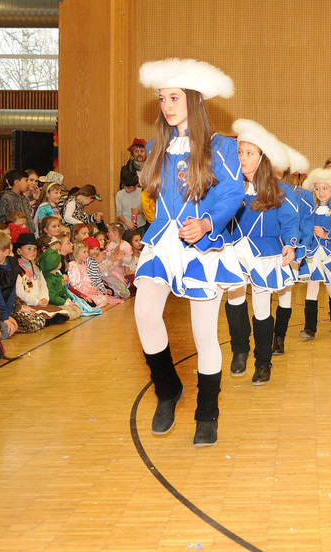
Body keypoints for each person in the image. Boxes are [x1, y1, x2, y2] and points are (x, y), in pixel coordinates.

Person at [134, 58, 244, 447]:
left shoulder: (222, 147)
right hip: (164, 242)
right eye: (162, 98)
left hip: (203, 246)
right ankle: (167, 389)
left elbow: (232, 194)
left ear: (194, 100)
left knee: (204, 335)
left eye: (174, 97)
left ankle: (207, 413)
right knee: (145, 313)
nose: (166, 105)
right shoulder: (156, 147)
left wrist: (207, 223)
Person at [224, 119, 298, 384]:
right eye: (240, 152)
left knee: (262, 307)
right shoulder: (229, 187)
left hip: (265, 253)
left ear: (262, 158)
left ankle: (263, 362)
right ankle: (240, 350)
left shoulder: (279, 191)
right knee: (234, 300)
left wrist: (290, 243)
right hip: (234, 250)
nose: (243, 157)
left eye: (249, 153)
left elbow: (290, 221)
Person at [299, 168, 331, 334]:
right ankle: (310, 327)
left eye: (325, 188)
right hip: (313, 253)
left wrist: (327, 234)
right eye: (318, 189)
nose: (321, 192)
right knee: (312, 288)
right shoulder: (310, 209)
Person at [271, 144, 310, 356]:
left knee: (284, 295)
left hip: (290, 250)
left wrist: (298, 247)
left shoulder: (304, 195)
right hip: (268, 248)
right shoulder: (267, 190)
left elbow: (306, 224)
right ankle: (265, 337)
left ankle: (279, 339)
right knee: (263, 295)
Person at [0, 169, 35, 234]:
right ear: (16, 182)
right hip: (15, 235)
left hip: (28, 234)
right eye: (26, 180)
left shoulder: (25, 198)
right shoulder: (7, 198)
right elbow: (1, 219)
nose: (28, 183)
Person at [116, 168, 145, 233]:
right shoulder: (119, 194)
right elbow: (118, 214)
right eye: (124, 186)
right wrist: (127, 223)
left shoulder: (143, 193)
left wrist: (139, 211)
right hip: (126, 227)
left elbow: (150, 211)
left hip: (141, 227)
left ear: (136, 186)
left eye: (129, 188)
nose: (126, 189)